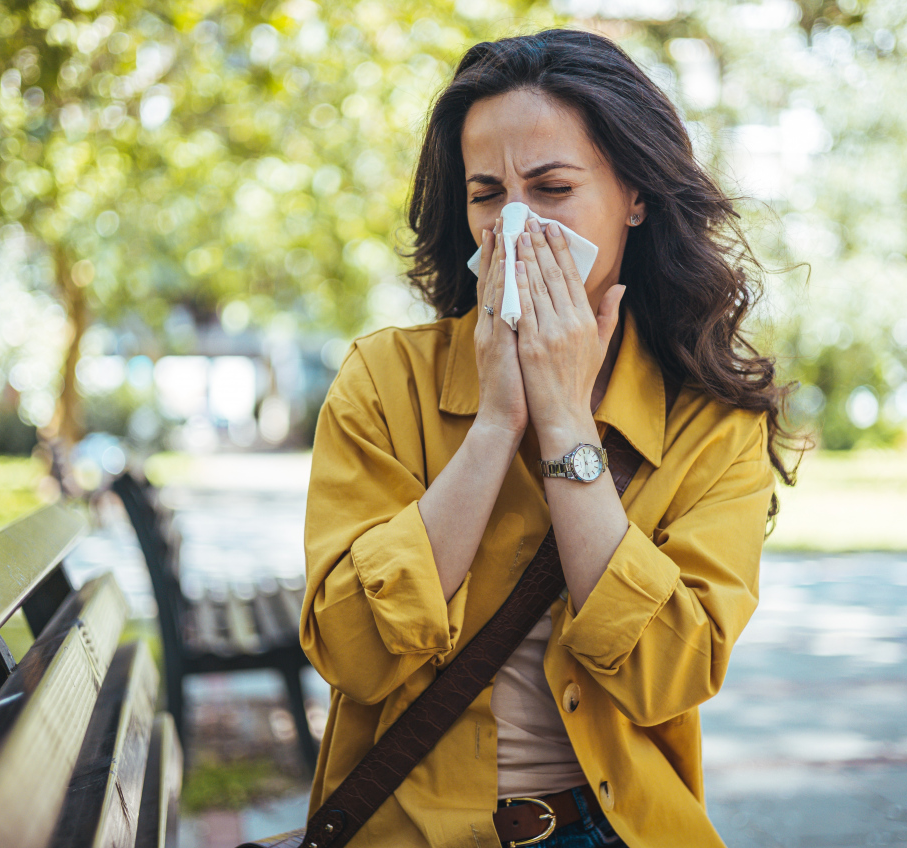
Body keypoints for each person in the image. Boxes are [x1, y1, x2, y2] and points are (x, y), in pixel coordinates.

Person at [299, 28, 802, 848]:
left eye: (553, 187)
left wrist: (567, 421)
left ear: (635, 196)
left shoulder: (713, 420)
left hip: (614, 826)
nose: (518, 226)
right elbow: (352, 653)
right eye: (488, 194)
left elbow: (670, 672)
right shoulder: (383, 381)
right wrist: (497, 424)